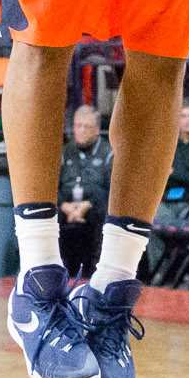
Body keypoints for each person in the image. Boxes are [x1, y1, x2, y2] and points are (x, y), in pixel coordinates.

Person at [57, 105, 113, 278]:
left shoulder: (108, 152)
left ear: (97, 130)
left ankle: (97, 274)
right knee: (45, 213)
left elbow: (110, 189)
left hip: (95, 207)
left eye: (86, 127)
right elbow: (54, 186)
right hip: (65, 206)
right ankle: (54, 273)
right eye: (77, 126)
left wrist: (86, 205)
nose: (80, 131)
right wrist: (64, 205)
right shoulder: (65, 152)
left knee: (104, 213)